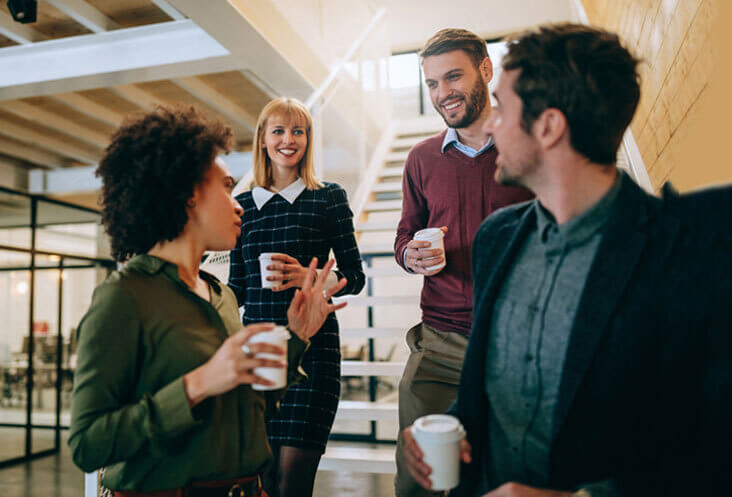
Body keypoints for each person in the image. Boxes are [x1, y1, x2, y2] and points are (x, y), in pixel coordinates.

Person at [401, 23, 731, 497]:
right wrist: (454, 426)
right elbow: (491, 385)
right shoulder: (500, 238)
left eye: (506, 108)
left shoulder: (684, 256)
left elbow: (705, 450)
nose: (491, 123)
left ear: (550, 126)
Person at [68, 105, 348, 497]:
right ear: (186, 196)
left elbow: (246, 412)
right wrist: (199, 383)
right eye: (224, 187)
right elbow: (89, 445)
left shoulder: (220, 297)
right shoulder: (124, 297)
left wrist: (298, 335)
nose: (237, 204)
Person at [393, 28, 533, 497]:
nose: (442, 93)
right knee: (418, 480)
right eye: (432, 83)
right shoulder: (421, 159)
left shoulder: (528, 146)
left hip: (515, 345)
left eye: (453, 76)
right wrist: (410, 254)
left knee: (501, 479)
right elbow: (404, 235)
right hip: (440, 344)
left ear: (486, 70)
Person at [227, 97, 365, 497]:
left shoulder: (329, 197)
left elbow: (354, 277)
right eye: (279, 131)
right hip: (260, 351)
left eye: (298, 131)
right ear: (263, 139)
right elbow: (238, 286)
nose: (289, 140)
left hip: (315, 351)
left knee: (293, 482)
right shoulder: (242, 207)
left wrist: (313, 278)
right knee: (264, 481)